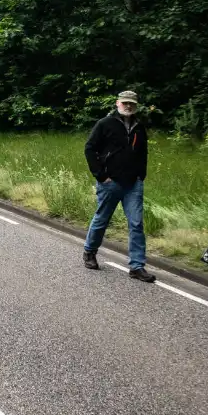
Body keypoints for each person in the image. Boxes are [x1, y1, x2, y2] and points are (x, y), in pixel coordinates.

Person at [82, 90, 155, 283]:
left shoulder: (139, 127)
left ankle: (137, 266)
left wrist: (141, 175)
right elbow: (89, 149)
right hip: (110, 183)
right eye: (125, 103)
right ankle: (89, 252)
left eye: (131, 103)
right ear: (117, 103)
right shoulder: (105, 124)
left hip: (133, 184)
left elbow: (143, 153)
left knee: (136, 223)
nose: (128, 106)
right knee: (102, 219)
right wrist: (101, 175)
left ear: (136, 105)